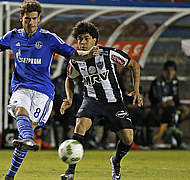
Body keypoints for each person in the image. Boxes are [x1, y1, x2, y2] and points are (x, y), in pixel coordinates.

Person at [0, 0, 99, 179]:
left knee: (26, 135)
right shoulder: (14, 36)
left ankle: (11, 172)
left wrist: (89, 53)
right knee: (19, 111)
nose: (31, 23)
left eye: (35, 19)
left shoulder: (49, 38)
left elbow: (74, 53)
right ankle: (26, 142)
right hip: (21, 87)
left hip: (43, 93)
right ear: (21, 18)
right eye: (28, 19)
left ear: (39, 19)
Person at [60, 21, 143, 180]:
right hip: (91, 100)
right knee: (80, 125)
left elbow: (134, 65)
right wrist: (69, 98)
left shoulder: (109, 54)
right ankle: (70, 172)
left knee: (128, 139)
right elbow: (69, 79)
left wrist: (137, 89)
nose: (82, 43)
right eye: (79, 39)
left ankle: (116, 161)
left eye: (86, 39)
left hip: (114, 101)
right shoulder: (76, 59)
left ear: (95, 40)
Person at [149, 60, 190, 149]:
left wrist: (182, 107)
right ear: (163, 71)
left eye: (172, 70)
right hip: (160, 112)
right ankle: (175, 143)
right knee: (174, 112)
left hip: (173, 109)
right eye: (168, 70)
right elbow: (155, 100)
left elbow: (176, 100)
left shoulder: (175, 82)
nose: (170, 73)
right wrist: (165, 104)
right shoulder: (157, 82)